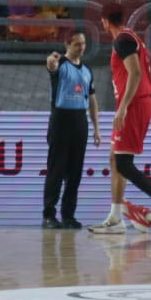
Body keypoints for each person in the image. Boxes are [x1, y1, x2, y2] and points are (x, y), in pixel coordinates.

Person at [88, 12, 151, 235]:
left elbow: (136, 73)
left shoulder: (123, 39)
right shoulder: (130, 37)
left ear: (105, 21)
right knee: (115, 159)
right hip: (135, 103)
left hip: (134, 104)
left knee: (123, 163)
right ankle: (115, 218)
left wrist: (122, 107)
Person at [42, 32, 101, 229]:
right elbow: (51, 65)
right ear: (67, 44)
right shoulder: (60, 64)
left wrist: (96, 128)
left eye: (83, 43)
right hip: (61, 120)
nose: (81, 47)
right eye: (77, 44)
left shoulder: (87, 70)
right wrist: (50, 61)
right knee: (56, 169)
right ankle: (49, 215)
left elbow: (92, 100)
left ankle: (68, 215)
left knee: (75, 172)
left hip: (79, 121)